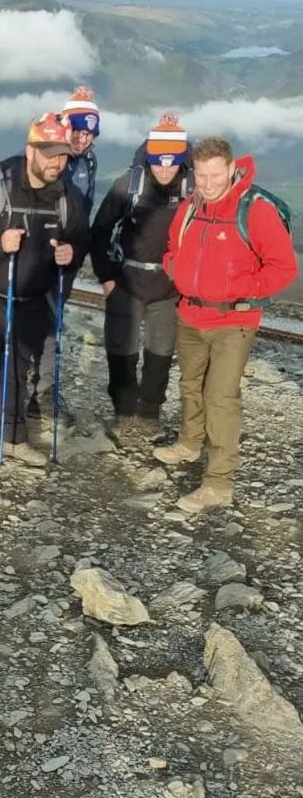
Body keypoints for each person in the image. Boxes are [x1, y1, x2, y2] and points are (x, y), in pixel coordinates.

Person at [0, 113, 91, 482]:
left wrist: (71, 254)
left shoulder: (67, 198)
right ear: (30, 151)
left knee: (19, 372)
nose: (57, 162)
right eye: (49, 153)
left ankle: (11, 437)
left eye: (63, 155)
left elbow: (80, 239)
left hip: (33, 302)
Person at [153, 136, 297, 511]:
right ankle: (189, 443)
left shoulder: (255, 210)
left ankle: (219, 482)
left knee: (220, 397)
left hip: (235, 319)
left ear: (232, 169)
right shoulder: (190, 207)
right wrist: (175, 268)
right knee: (190, 384)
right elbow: (173, 247)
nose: (208, 183)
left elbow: (284, 268)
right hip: (190, 313)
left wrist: (241, 289)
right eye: (201, 176)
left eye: (215, 175)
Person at [91, 114, 193, 438]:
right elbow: (100, 230)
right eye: (158, 162)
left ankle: (150, 413)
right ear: (149, 159)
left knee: (160, 353)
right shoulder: (129, 186)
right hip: (127, 281)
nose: (164, 170)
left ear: (182, 161)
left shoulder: (193, 189)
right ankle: (123, 411)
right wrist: (106, 277)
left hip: (169, 287)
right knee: (121, 350)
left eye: (171, 163)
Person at [25, 86, 101, 421]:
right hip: (36, 252)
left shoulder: (88, 161)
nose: (82, 139)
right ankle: (17, 387)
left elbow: (84, 210)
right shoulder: (51, 156)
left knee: (52, 321)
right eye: (78, 130)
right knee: (27, 320)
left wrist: (77, 249)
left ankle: (42, 391)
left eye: (90, 133)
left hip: (67, 255)